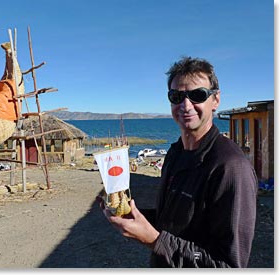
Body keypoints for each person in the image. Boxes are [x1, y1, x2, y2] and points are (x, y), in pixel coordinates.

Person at [97, 56, 257, 267]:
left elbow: (228, 265)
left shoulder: (230, 168)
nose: (186, 105)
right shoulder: (175, 153)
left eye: (197, 95)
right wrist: (132, 216)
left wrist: (154, 240)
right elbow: (174, 222)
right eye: (177, 96)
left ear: (215, 100)